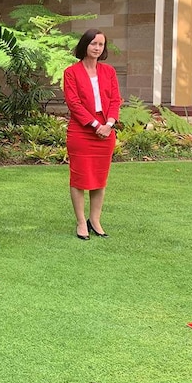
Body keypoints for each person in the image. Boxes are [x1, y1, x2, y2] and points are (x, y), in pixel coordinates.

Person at [63, 28, 122, 240]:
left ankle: (95, 220)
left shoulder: (109, 72)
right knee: (79, 178)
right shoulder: (71, 72)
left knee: (99, 178)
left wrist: (109, 123)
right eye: (93, 44)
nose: (97, 48)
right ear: (85, 45)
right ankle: (81, 222)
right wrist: (97, 125)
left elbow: (116, 100)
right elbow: (74, 103)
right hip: (82, 131)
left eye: (101, 45)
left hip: (106, 131)